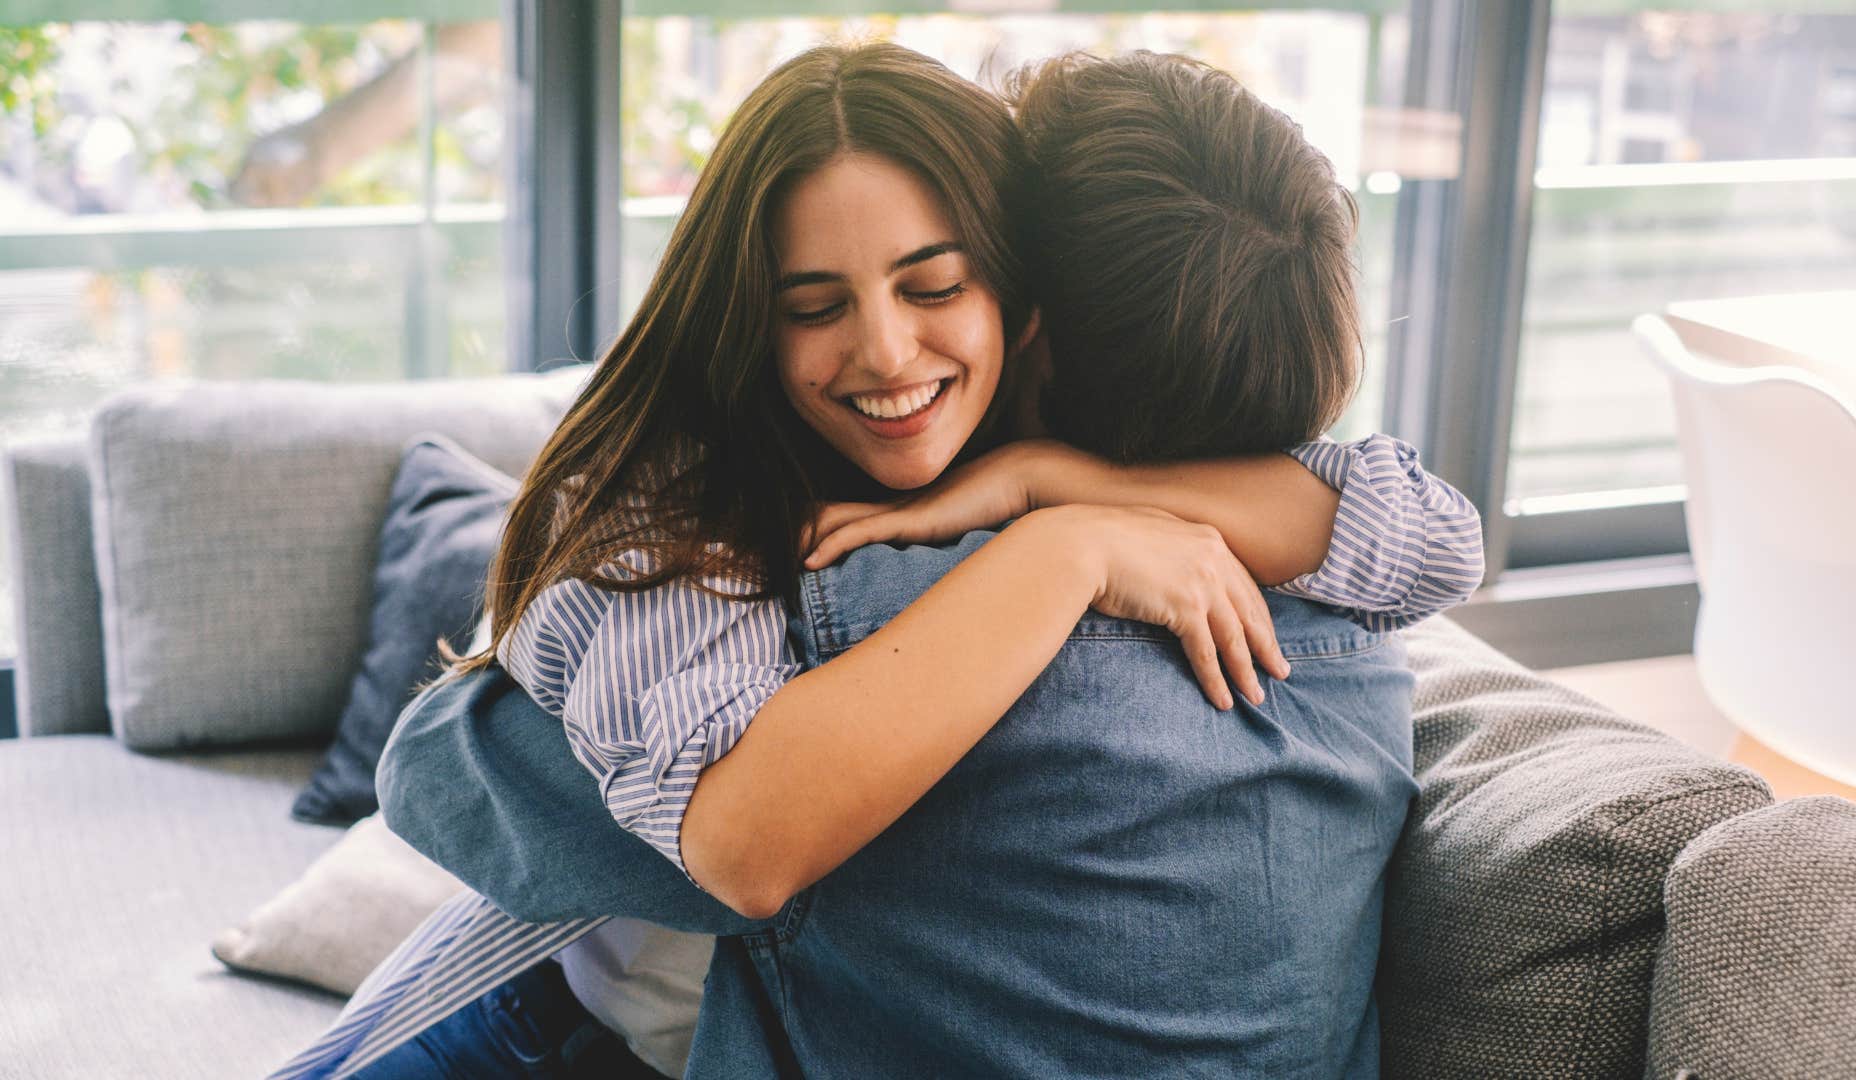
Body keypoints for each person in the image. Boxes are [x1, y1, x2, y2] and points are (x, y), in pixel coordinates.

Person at [276, 43, 1481, 1079]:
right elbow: (725, 836)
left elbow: (1433, 538)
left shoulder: (1058, 449)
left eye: (936, 285)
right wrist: (1066, 548)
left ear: (1022, 301)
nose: (888, 352)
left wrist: (1054, 485)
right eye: (814, 306)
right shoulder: (686, 509)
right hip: (558, 1010)